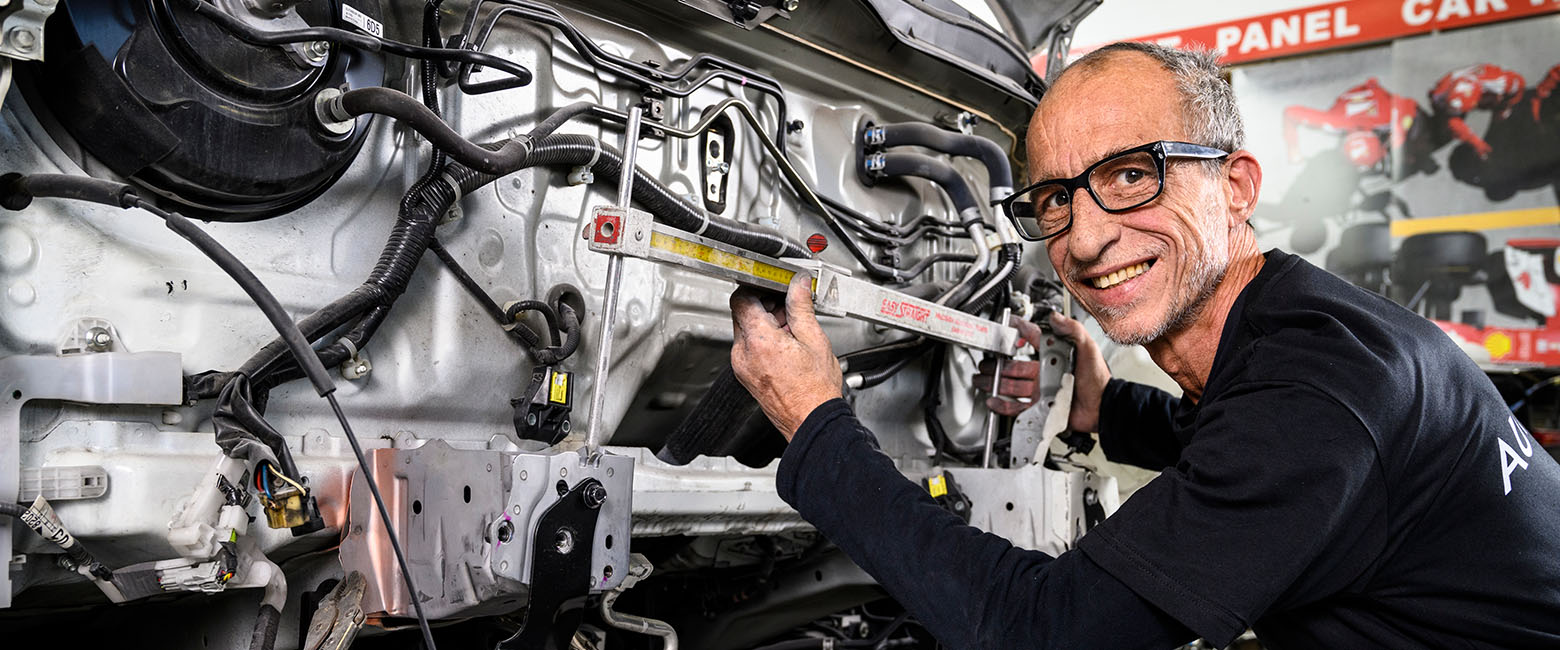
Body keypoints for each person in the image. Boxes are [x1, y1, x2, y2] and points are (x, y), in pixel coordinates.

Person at [728, 42, 1560, 648]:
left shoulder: (1322, 394)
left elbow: (1042, 635)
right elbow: (1241, 450)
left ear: (1235, 186)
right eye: (1056, 196)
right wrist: (1101, 407)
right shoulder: (1303, 331)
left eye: (1132, 174)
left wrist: (818, 424)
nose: (1085, 239)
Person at [1428, 63, 1526, 159]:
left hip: (1490, 87)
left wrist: (1507, 106)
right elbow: (1452, 120)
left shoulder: (1501, 82)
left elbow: (1520, 84)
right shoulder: (1440, 93)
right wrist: (1476, 142)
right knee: (1447, 123)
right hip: (1469, 94)